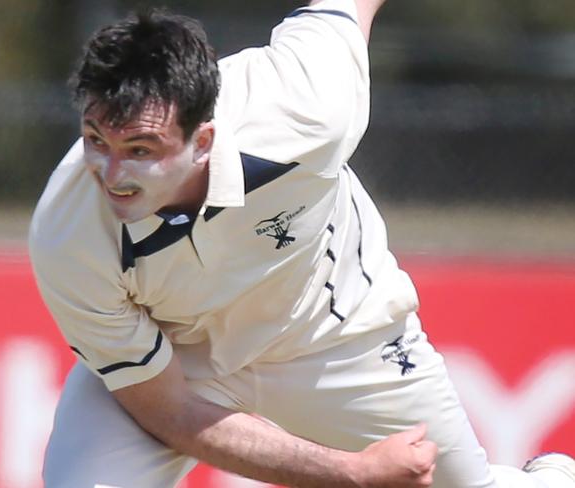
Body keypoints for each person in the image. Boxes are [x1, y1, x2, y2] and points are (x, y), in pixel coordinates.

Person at [29, 0, 575, 486]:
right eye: (96, 140)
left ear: (204, 141)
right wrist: (351, 475)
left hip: (338, 335)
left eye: (141, 149)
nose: (112, 172)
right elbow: (169, 411)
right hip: (176, 360)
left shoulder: (305, 103)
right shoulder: (67, 234)